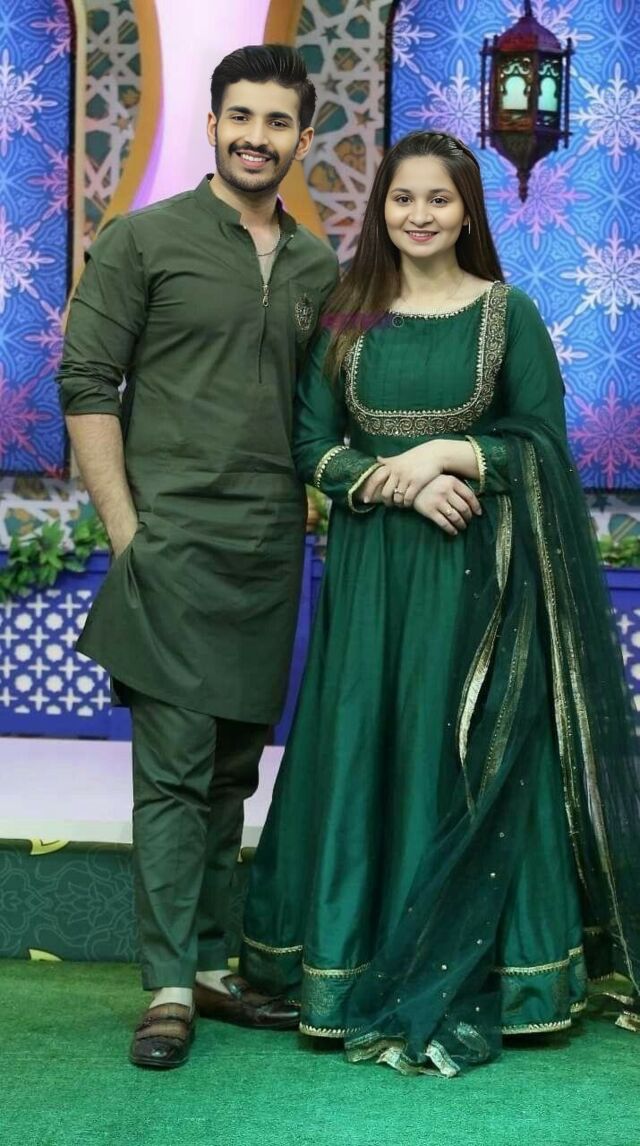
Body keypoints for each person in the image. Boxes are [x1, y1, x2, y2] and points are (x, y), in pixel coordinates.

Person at [239, 131, 640, 1076]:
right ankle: (344, 965)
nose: (419, 216)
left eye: (439, 200)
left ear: (468, 213)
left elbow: (544, 447)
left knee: (456, 748)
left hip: (477, 584)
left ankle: (518, 974)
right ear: (380, 208)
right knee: (366, 740)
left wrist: (452, 454)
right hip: (373, 577)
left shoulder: (507, 312)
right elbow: (312, 447)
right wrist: (405, 485)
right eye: (403, 198)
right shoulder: (347, 315)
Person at [57, 44, 338, 1069]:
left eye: (277, 122)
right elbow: (86, 380)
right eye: (241, 117)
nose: (257, 138)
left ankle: (211, 967)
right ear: (213, 124)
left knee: (229, 774)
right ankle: (168, 988)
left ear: (303, 137)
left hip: (267, 558)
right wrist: (128, 535)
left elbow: (324, 407)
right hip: (170, 544)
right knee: (174, 772)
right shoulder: (144, 239)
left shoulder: (318, 268)